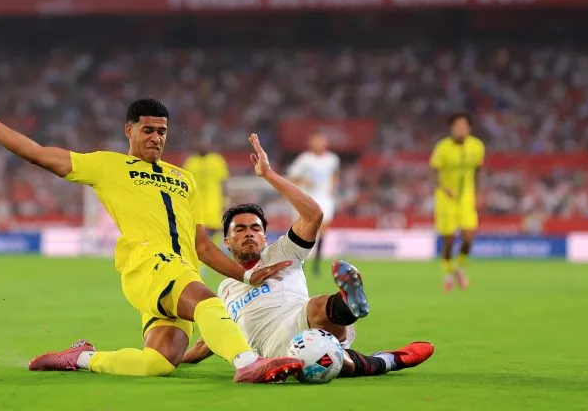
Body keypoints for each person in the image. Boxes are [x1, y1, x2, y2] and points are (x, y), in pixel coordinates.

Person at [0, 97, 304, 383]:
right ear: (130, 130)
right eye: (148, 130)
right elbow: (37, 152)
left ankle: (82, 358)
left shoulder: (185, 179)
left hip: (181, 271)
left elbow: (202, 246)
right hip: (148, 263)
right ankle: (247, 364)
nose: (156, 137)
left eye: (162, 131)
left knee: (160, 362)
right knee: (209, 302)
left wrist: (244, 275)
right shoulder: (108, 166)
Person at [181, 133, 434, 377]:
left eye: (256, 228)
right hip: (274, 353)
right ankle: (387, 360)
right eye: (240, 229)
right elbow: (209, 341)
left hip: (307, 323)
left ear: (265, 237)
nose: (249, 233)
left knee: (315, 309)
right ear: (226, 241)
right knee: (334, 362)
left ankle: (348, 304)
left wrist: (268, 174)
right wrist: (176, 361)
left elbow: (314, 215)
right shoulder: (225, 288)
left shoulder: (282, 251)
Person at [430, 112, 485, 291]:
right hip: (446, 198)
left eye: (464, 126)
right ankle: (447, 275)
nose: (461, 129)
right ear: (451, 128)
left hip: (467, 197)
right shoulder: (443, 147)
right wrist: (443, 187)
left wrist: (478, 193)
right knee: (449, 240)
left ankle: (458, 268)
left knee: (468, 237)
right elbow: (433, 171)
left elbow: (478, 170)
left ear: (469, 128)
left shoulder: (477, 146)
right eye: (457, 126)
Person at [286, 132, 339, 275]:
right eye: (316, 142)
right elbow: (292, 176)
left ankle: (316, 262)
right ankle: (300, 262)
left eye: (321, 142)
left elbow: (334, 175)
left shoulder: (332, 159)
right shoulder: (304, 159)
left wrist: (332, 188)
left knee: (322, 229)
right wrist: (304, 181)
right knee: (302, 230)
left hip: (324, 198)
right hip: (306, 198)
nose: (319, 145)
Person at [182, 140, 230, 241]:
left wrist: (226, 199)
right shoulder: (191, 162)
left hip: (214, 200)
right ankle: (199, 252)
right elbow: (184, 183)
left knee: (216, 227)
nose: (203, 146)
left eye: (205, 144)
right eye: (200, 144)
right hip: (196, 201)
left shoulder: (217, 160)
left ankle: (215, 249)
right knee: (197, 227)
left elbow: (224, 181)